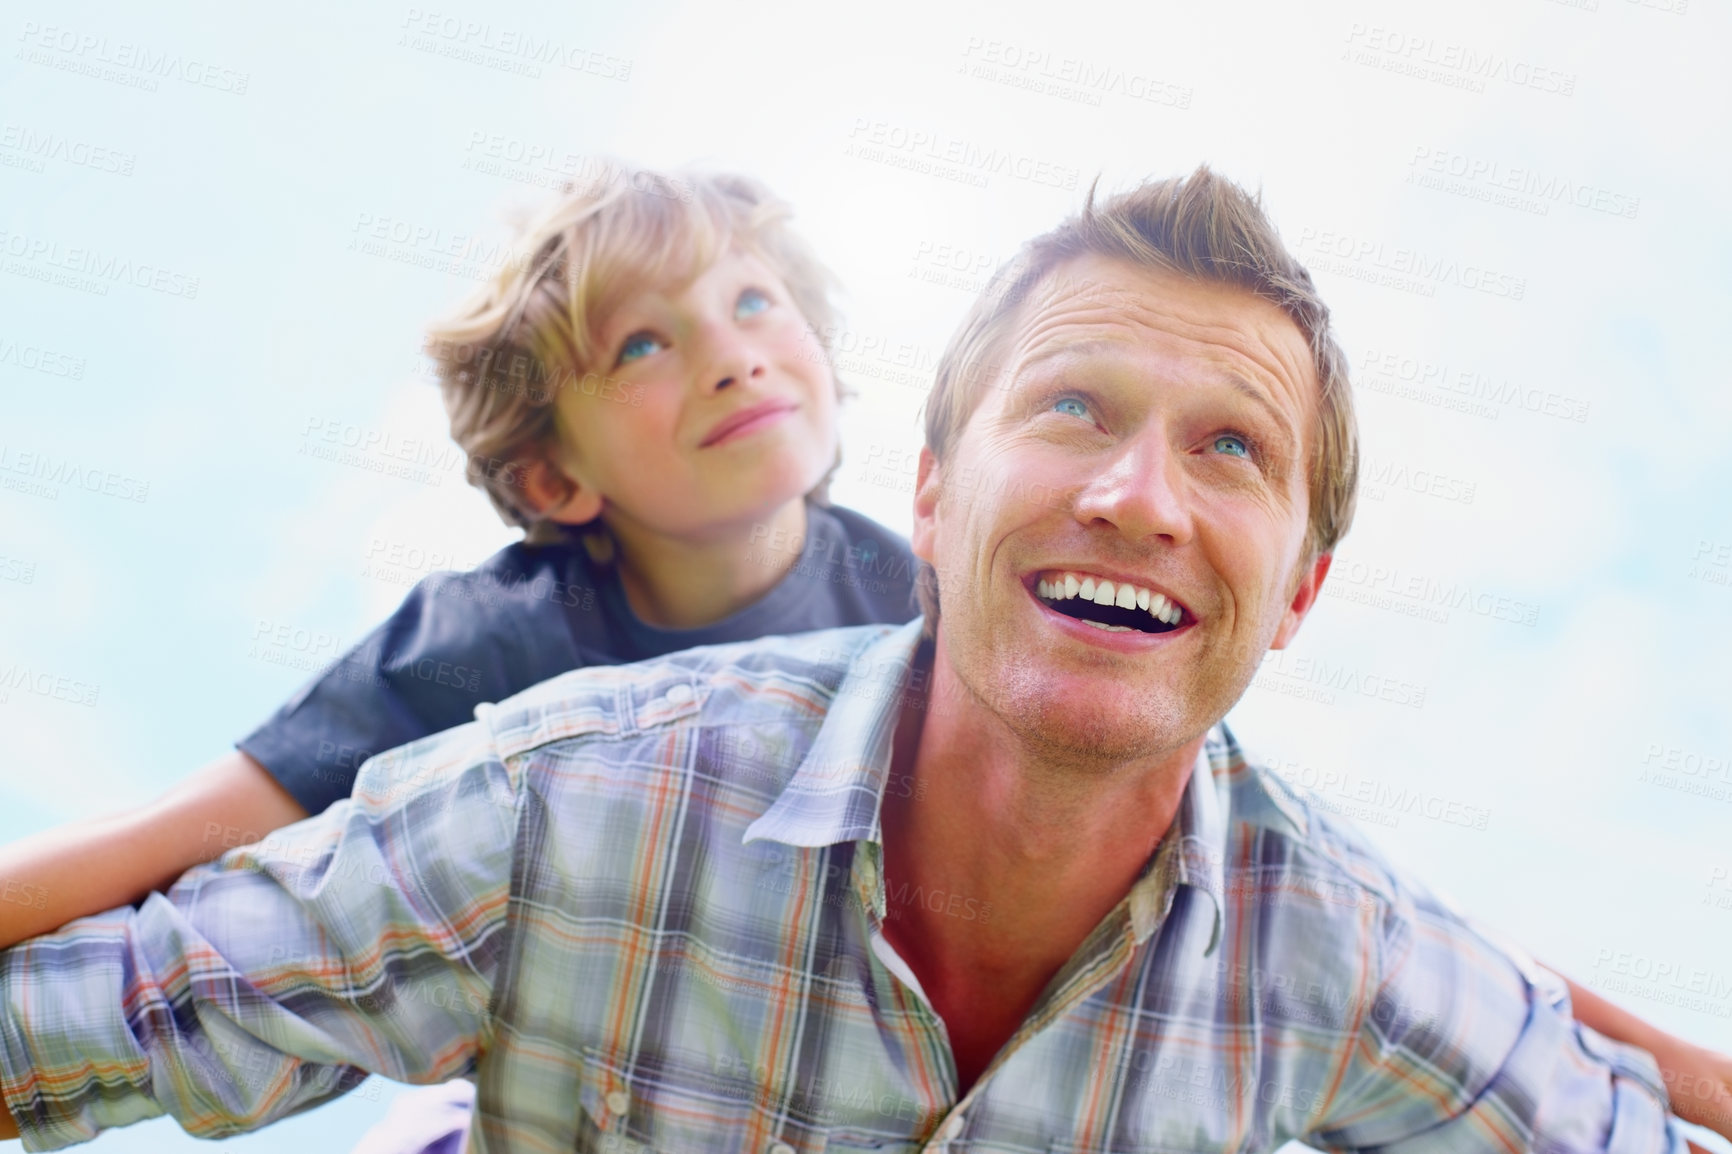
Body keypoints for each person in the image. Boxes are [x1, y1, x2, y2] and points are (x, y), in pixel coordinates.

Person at [0, 167, 1723, 1150]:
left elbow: (1485, 994)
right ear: (936, 494)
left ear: (1299, 597)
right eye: (1073, 410)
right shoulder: (539, 750)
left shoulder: (1325, 947)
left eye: (1230, 450)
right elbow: (139, 958)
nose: (1133, 499)